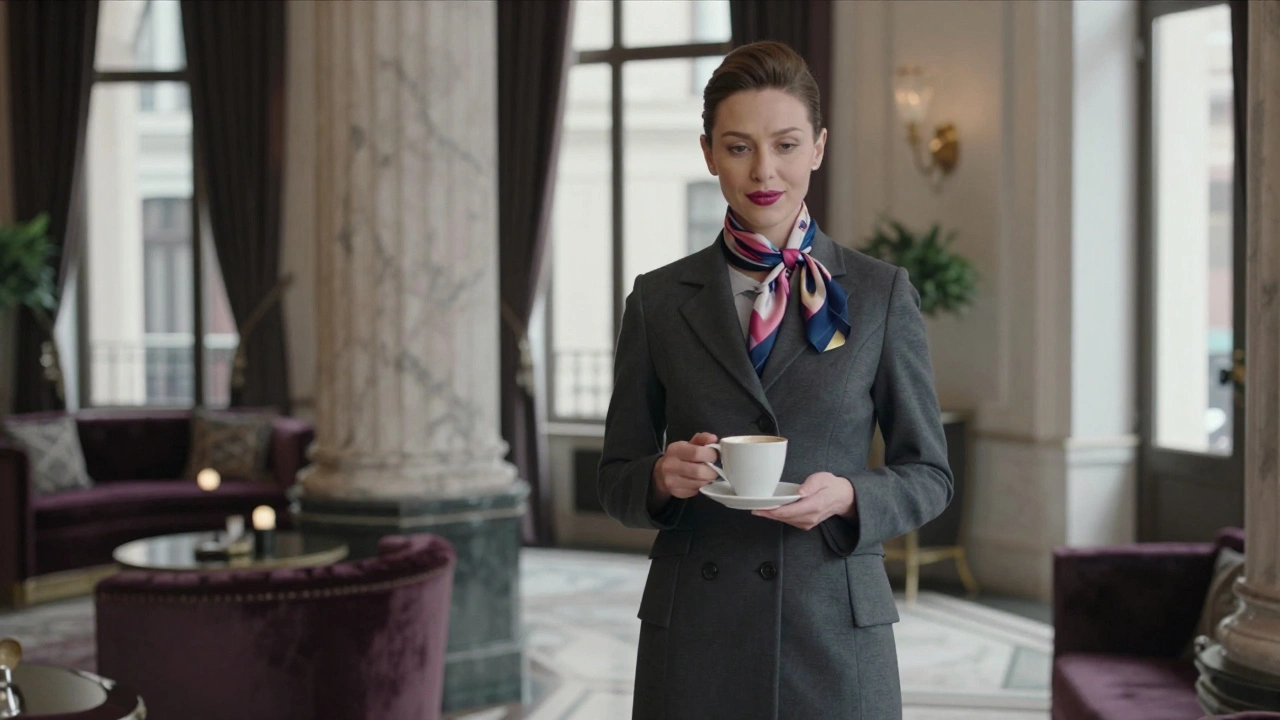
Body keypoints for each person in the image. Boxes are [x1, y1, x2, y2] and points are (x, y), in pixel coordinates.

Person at [597, 40, 954, 720]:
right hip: (697, 634)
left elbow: (930, 474)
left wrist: (850, 495)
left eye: (786, 144)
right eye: (738, 147)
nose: (765, 170)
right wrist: (658, 477)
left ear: (818, 147)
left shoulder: (880, 294)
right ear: (707, 153)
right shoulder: (658, 300)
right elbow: (616, 475)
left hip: (832, 634)